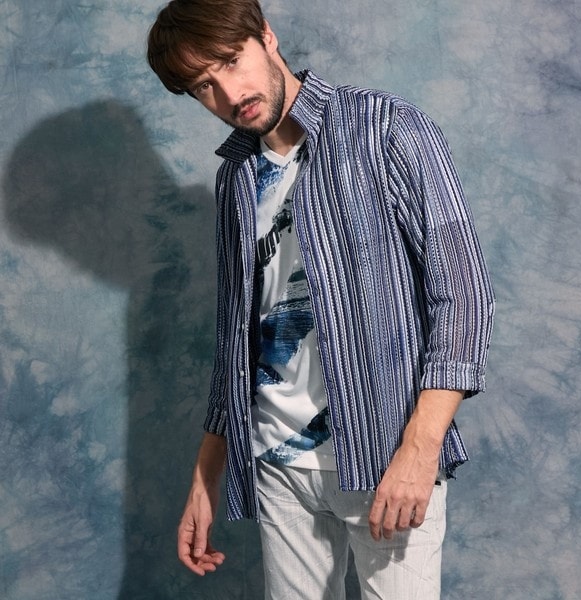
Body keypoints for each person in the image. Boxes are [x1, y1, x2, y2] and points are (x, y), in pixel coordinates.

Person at [146, 1, 495, 598]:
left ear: (266, 35)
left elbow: (462, 294)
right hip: (277, 466)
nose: (229, 93)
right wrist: (207, 473)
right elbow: (238, 335)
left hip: (384, 455)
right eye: (203, 86)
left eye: (230, 61)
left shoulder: (385, 127)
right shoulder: (235, 178)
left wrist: (420, 449)